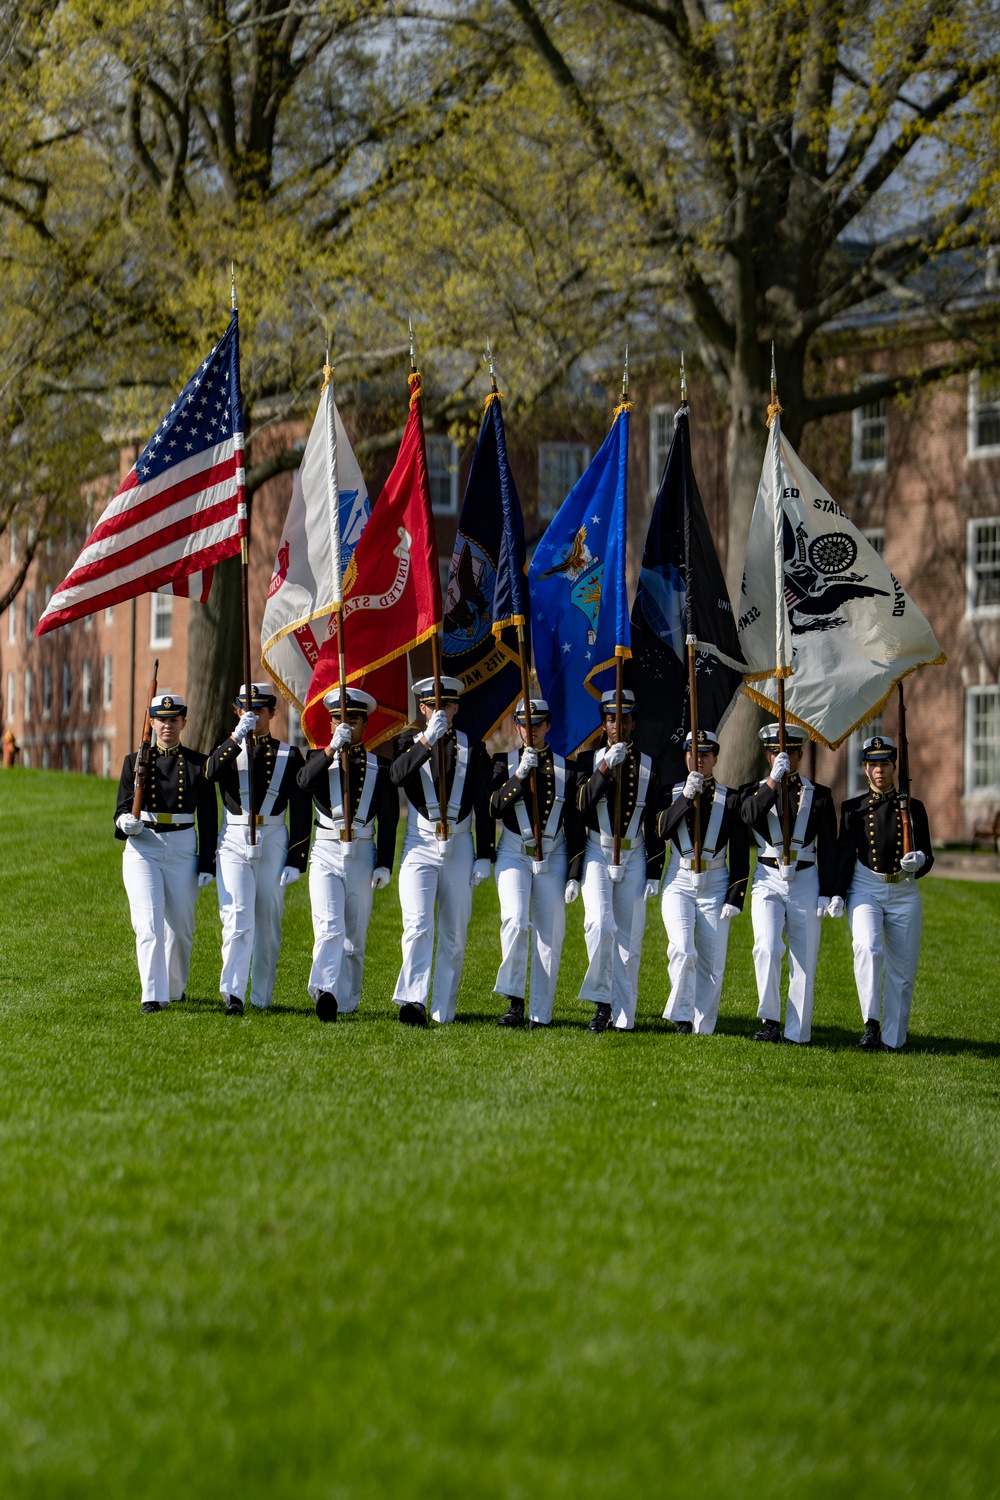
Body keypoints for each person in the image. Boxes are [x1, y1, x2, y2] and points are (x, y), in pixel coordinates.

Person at [389, 676, 493, 1025]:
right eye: (432, 705)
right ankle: (413, 1001)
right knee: (417, 923)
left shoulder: (473, 747)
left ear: (456, 707)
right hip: (420, 843)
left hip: (461, 842)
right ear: (422, 707)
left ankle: (443, 1009)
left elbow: (483, 802)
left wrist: (484, 853)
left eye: (445, 705)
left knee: (454, 931)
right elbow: (397, 776)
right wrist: (425, 741)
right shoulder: (406, 742)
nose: (439, 711)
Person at [205, 682, 310, 1016]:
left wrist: (297, 856)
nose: (254, 716)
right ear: (238, 712)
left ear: (272, 713)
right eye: (246, 710)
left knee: (268, 919)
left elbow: (301, 809)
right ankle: (233, 993)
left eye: (260, 711)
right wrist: (237, 737)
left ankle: (262, 995)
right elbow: (210, 773)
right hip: (234, 837)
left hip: (274, 836)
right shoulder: (227, 748)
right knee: (237, 915)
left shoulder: (289, 755)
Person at [296, 687, 399, 1022]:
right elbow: (304, 783)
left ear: (364, 726)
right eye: (339, 719)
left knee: (354, 935)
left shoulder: (379, 767)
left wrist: (385, 862)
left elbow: (388, 816)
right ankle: (325, 992)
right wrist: (330, 751)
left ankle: (348, 999)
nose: (346, 725)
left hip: (362, 852)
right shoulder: (316, 758)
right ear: (330, 724)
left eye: (352, 720)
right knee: (328, 927)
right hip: (325, 849)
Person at [114, 691, 218, 1013]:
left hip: (183, 847)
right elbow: (120, 810)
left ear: (183, 722)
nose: (167, 726)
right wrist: (125, 822)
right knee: (148, 924)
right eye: (161, 720)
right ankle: (152, 996)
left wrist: (207, 863)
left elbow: (209, 818)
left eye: (173, 720)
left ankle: (174, 988)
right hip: (144, 846)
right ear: (153, 723)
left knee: (181, 928)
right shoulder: (135, 762)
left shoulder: (198, 764)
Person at [834, 734, 933, 1051]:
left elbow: (927, 856)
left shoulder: (913, 807)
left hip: (904, 891)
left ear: (894, 767)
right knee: (867, 948)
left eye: (885, 764)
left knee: (903, 972)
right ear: (865, 768)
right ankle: (871, 1024)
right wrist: (836, 893)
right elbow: (845, 855)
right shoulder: (853, 809)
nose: (880, 770)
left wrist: (920, 862)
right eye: (873, 764)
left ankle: (893, 1038)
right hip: (866, 889)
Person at [488, 697, 584, 1029]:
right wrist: (518, 776)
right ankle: (514, 1002)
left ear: (548, 726)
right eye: (525, 725)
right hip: (514, 852)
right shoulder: (503, 762)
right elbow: (493, 808)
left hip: (554, 855)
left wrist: (574, 873)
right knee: (515, 921)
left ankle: (541, 1012)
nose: (532, 731)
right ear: (517, 726)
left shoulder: (567, 769)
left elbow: (574, 826)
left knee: (550, 934)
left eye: (538, 725)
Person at [740, 723, 838, 1045]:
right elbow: (748, 816)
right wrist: (772, 782)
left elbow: (829, 847)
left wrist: (827, 891)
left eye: (788, 753)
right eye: (773, 753)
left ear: (799, 753)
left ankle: (798, 1032)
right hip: (767, 877)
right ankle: (770, 1021)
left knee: (804, 957)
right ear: (767, 757)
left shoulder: (820, 795)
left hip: (806, 877)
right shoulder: (753, 791)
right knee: (766, 947)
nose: (781, 757)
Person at [575, 688, 665, 1032]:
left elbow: (655, 822)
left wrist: (655, 869)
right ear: (604, 723)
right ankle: (602, 1004)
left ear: (633, 723)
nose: (619, 726)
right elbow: (581, 805)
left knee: (630, 938)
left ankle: (624, 1014)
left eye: (625, 719)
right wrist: (603, 768)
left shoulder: (649, 765)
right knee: (599, 925)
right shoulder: (587, 760)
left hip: (634, 853)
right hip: (599, 850)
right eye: (612, 719)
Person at [657, 728, 750, 1035]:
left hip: (715, 880)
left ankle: (703, 1026)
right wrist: (686, 797)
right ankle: (682, 1017)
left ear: (715, 759)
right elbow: (662, 830)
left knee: (712, 962)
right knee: (683, 949)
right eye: (692, 753)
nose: (698, 759)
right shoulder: (671, 793)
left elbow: (739, 852)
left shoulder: (730, 798)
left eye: (704, 755)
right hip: (679, 879)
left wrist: (736, 895)